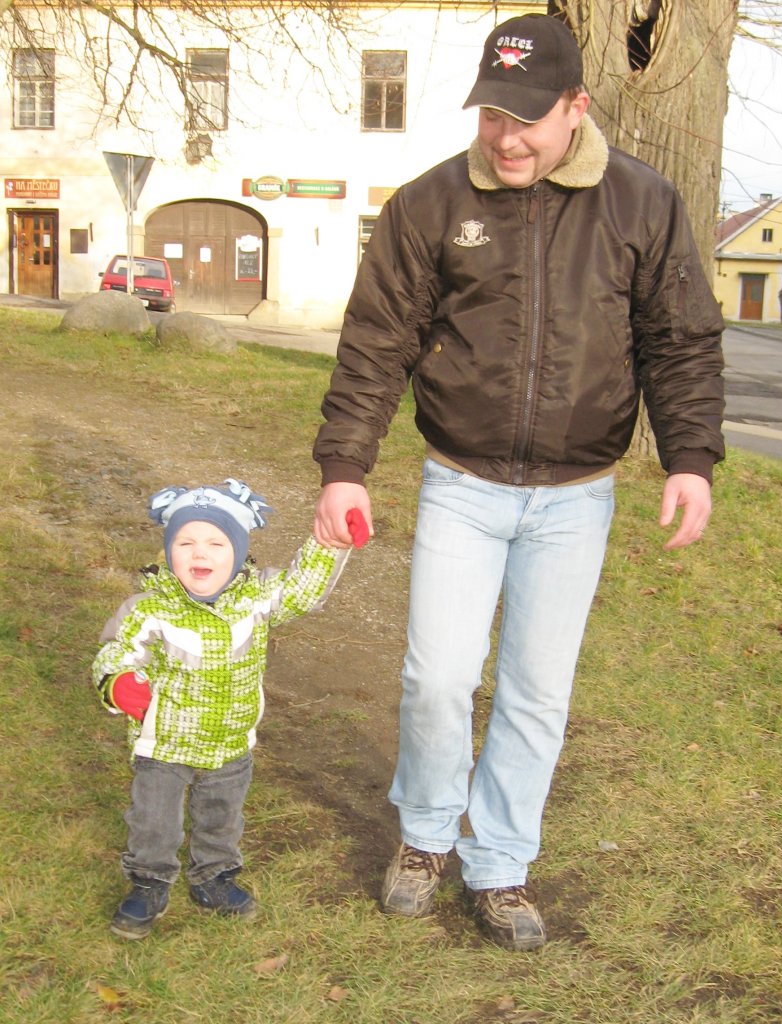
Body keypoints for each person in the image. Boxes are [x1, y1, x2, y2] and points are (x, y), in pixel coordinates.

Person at [312, 13, 725, 952]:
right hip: (461, 481)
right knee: (437, 679)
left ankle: (498, 862)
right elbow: (377, 342)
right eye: (491, 114)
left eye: (526, 119)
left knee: (535, 691)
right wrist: (345, 467)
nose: (504, 139)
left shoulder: (642, 203)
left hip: (576, 496)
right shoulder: (427, 205)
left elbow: (679, 341)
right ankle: (425, 837)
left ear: (576, 106)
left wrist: (689, 458)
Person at [93, 478, 367, 940]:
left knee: (221, 815)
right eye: (186, 543)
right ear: (168, 550)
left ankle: (213, 877)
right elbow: (115, 652)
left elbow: (301, 590)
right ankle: (149, 882)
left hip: (231, 740)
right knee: (153, 819)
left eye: (216, 544)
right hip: (164, 743)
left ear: (238, 552)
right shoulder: (149, 609)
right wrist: (119, 683)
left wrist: (329, 543)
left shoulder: (255, 600)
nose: (200, 553)